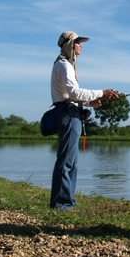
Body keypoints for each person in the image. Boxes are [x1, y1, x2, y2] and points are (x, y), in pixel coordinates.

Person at [50, 31, 118, 210]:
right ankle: (61, 203)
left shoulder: (65, 65)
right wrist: (101, 93)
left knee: (71, 162)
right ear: (69, 45)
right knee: (66, 161)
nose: (81, 46)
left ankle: (66, 200)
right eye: (78, 42)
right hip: (67, 115)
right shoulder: (64, 65)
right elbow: (73, 93)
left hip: (71, 113)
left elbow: (71, 96)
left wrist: (91, 102)